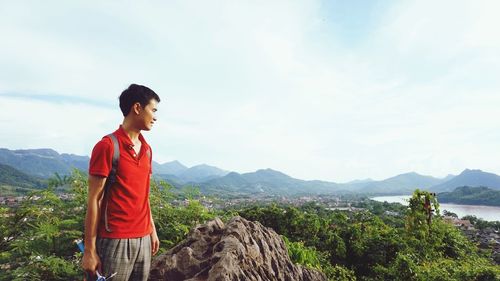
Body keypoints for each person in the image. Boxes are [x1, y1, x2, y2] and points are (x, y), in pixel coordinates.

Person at [82, 84, 161, 281]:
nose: (155, 116)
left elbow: (144, 194)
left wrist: (152, 230)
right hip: (114, 239)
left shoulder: (147, 150)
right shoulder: (107, 146)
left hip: (143, 239)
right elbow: (94, 200)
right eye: (153, 110)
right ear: (137, 108)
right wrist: (89, 250)